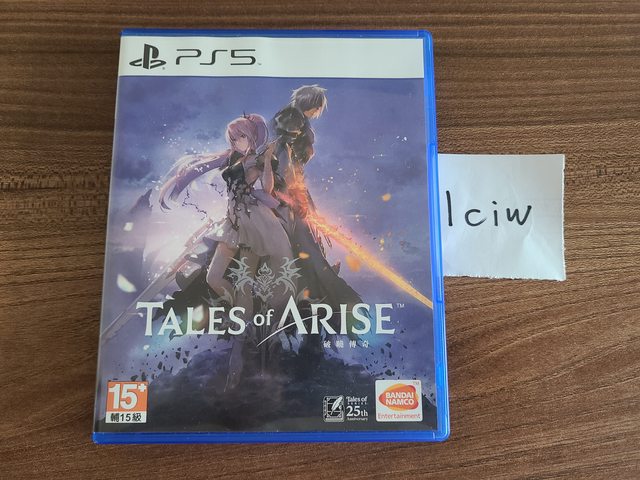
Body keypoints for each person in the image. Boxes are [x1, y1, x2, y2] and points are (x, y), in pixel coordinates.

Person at [159, 113, 293, 389]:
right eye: (232, 138)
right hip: (232, 222)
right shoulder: (232, 158)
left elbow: (267, 189)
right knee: (214, 277)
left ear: (251, 136)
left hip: (252, 224)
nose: (235, 142)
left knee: (244, 283)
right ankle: (240, 315)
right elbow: (209, 169)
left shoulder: (259, 159)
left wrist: (268, 159)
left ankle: (240, 345)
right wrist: (181, 180)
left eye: (240, 136)